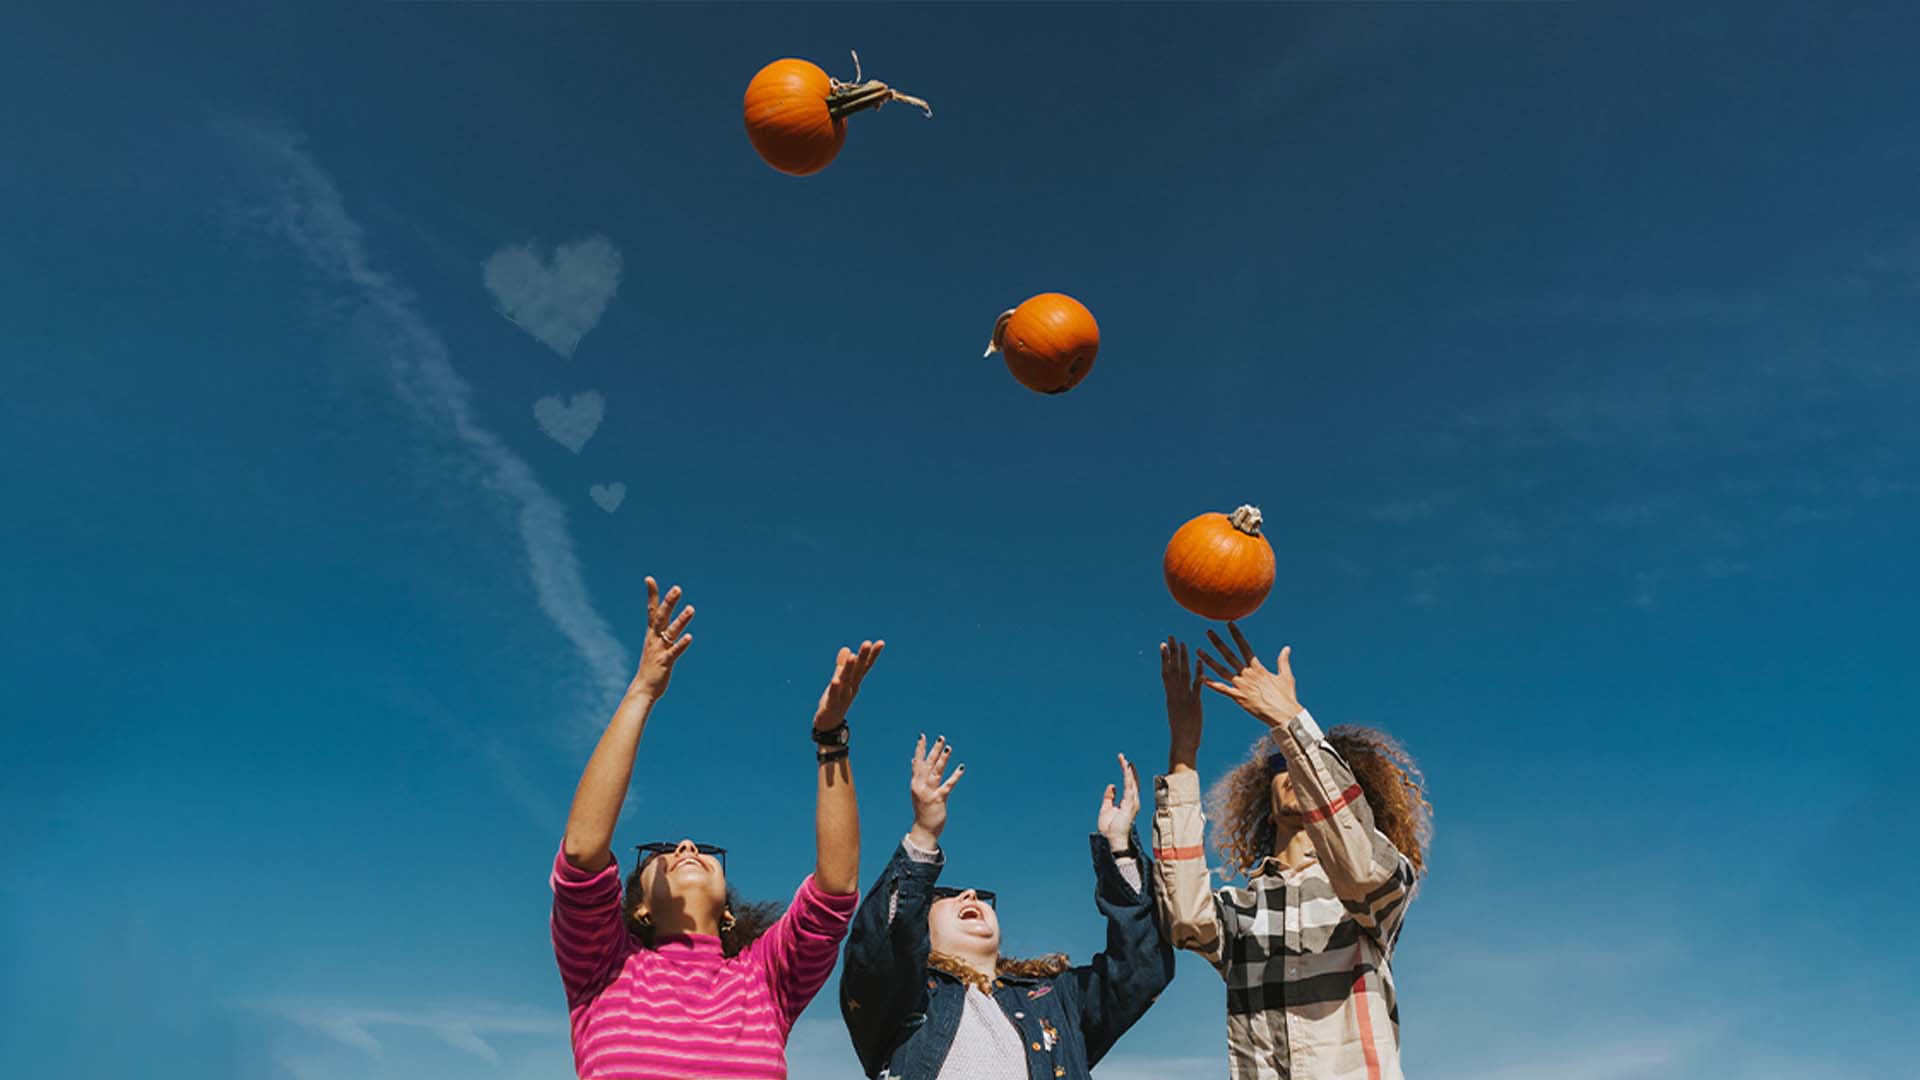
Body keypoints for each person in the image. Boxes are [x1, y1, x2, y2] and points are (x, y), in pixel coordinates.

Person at [550, 576, 884, 1080]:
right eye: (662, 850)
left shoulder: (765, 980)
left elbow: (835, 892)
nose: (686, 846)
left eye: (701, 849)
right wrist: (642, 689)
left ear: (728, 912)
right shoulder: (603, 967)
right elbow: (581, 854)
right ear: (637, 905)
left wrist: (831, 738)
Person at [1152, 624, 1432, 1080]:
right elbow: (1184, 917)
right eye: (1281, 764)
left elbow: (1357, 866)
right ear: (1264, 803)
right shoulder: (1242, 911)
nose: (1293, 771)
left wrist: (1290, 722)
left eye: (1301, 762)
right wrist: (1183, 752)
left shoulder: (1377, 892)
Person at [839, 736, 1174, 1080]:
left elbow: (1140, 969)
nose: (969, 895)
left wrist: (1118, 847)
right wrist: (924, 834)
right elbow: (878, 949)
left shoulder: (1056, 1001)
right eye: (946, 896)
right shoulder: (902, 1000)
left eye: (977, 896)